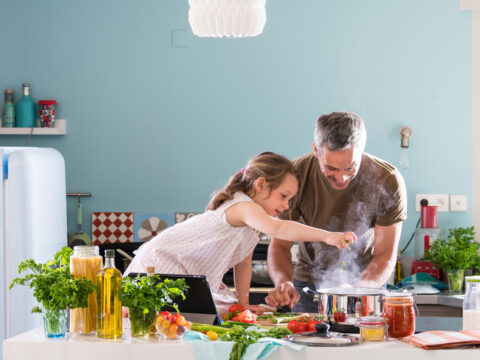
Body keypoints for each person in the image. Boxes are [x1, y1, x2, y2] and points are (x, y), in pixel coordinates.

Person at [124, 152, 356, 316]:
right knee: (156, 318)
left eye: (290, 199)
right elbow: (279, 228)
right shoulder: (243, 206)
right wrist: (327, 236)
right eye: (283, 196)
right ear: (261, 184)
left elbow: (243, 265)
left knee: (222, 311)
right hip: (162, 263)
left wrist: (243, 303)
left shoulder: (250, 224)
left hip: (185, 274)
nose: (286, 205)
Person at [265, 111, 407, 312]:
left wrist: (356, 291)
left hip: (366, 285)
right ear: (316, 150)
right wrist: (283, 282)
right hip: (308, 285)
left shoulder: (388, 179)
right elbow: (279, 245)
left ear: (362, 151)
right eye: (331, 168)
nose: (341, 178)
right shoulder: (296, 174)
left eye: (350, 168)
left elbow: (385, 254)